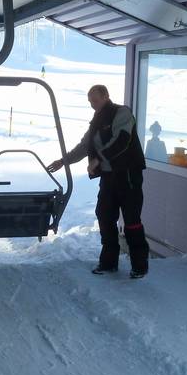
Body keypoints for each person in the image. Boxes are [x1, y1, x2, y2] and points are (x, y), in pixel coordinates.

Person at [47, 85, 150, 279]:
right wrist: (63, 161)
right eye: (89, 101)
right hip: (109, 177)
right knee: (104, 215)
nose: (92, 104)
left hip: (128, 174)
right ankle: (109, 262)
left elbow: (122, 140)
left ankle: (139, 265)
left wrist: (99, 159)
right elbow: (84, 146)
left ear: (105, 96)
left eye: (95, 100)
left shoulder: (122, 113)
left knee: (131, 219)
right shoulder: (97, 120)